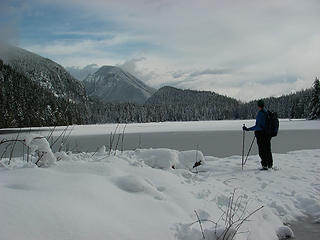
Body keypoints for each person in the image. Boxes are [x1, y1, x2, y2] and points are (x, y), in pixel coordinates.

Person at [243, 100, 273, 170]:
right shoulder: (267, 112)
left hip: (261, 134)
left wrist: (248, 129)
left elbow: (258, 126)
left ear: (259, 106)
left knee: (262, 150)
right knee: (268, 149)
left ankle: (265, 165)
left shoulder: (261, 113)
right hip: (268, 134)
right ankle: (270, 164)